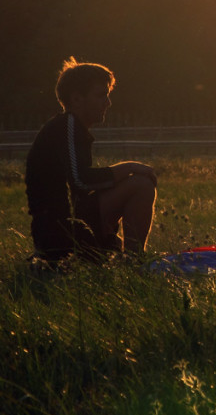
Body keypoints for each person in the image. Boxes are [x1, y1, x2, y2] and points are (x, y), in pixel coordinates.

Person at [25, 58, 158, 262]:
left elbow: (81, 184)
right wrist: (130, 167)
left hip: (63, 226)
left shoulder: (72, 128)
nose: (108, 102)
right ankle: (135, 262)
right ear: (77, 99)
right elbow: (81, 181)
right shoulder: (67, 125)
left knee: (134, 184)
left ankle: (125, 255)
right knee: (140, 185)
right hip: (59, 230)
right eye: (101, 95)